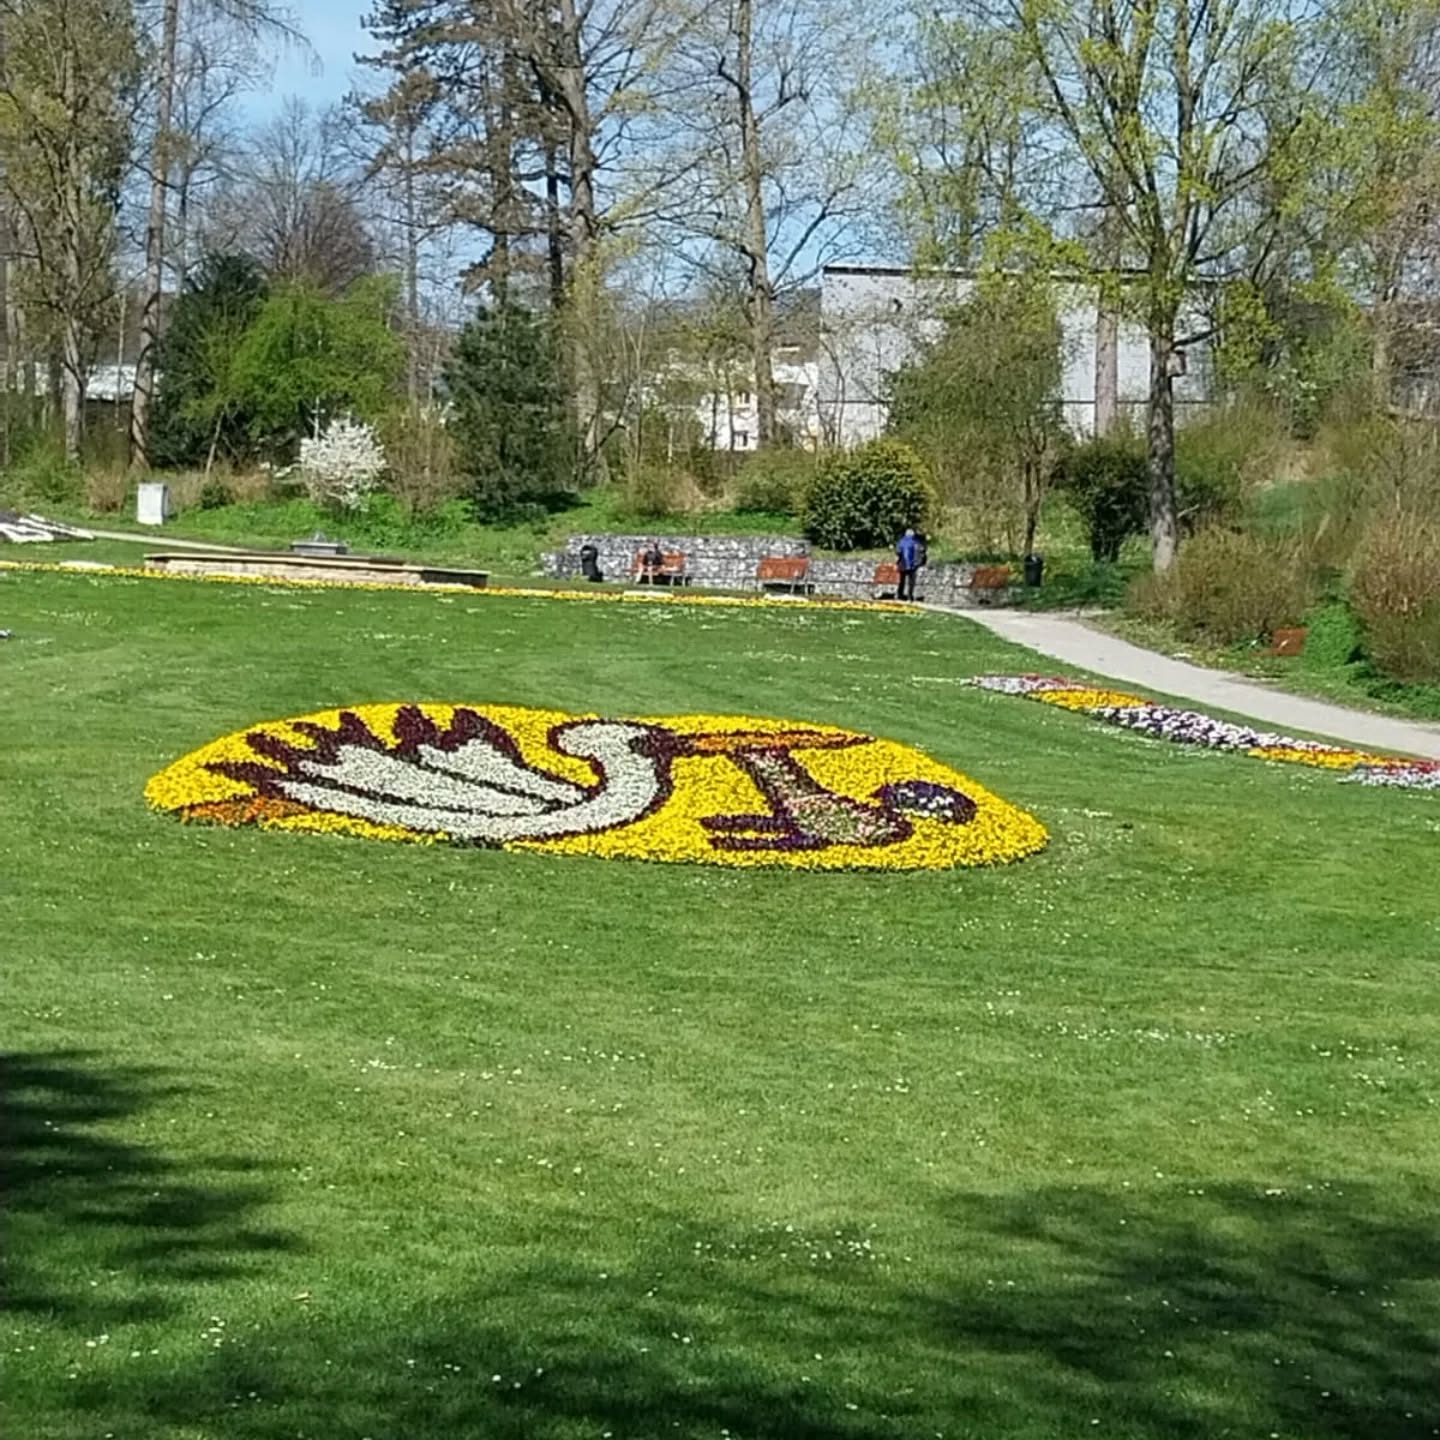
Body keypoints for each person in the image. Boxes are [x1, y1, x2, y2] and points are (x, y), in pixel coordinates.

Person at [896, 528, 920, 601]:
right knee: (911, 582)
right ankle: (910, 596)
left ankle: (900, 595)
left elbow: (898, 552)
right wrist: (916, 562)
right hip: (912, 564)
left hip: (903, 563)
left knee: (902, 580)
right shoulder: (915, 542)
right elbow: (917, 553)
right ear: (912, 535)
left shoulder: (901, 541)